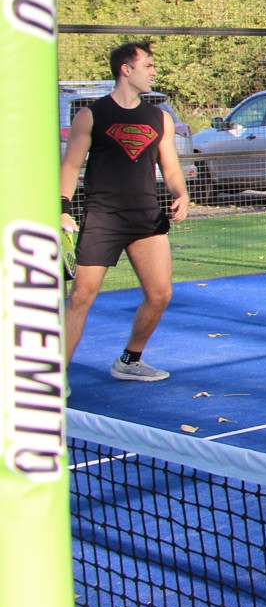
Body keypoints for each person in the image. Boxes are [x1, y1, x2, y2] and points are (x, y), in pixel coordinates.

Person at [60, 41, 189, 381]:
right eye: (148, 65)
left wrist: (181, 193)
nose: (154, 72)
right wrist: (63, 209)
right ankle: (53, 377)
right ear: (126, 70)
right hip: (103, 218)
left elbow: (171, 168)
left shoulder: (160, 118)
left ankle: (129, 361)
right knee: (81, 297)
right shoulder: (91, 115)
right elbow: (71, 166)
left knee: (160, 294)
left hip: (146, 218)